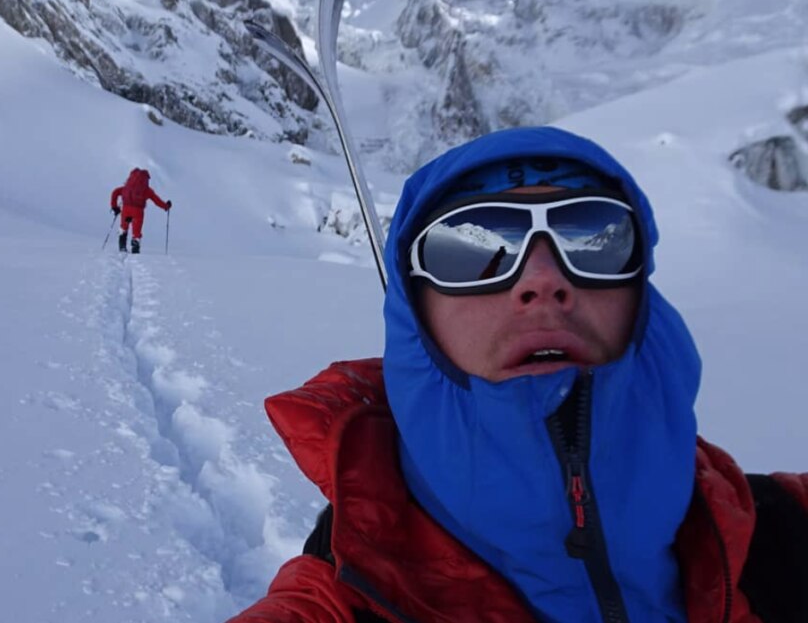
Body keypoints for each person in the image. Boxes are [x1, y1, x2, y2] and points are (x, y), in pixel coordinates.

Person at [230, 126, 808, 623]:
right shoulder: (352, 589)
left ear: (640, 296)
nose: (542, 279)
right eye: (470, 249)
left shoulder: (780, 536)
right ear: (416, 315)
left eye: (595, 238)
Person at [110, 168, 171, 254]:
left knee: (124, 227)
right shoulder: (146, 190)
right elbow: (156, 200)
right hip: (138, 212)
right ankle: (135, 252)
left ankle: (122, 247)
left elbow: (115, 192)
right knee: (136, 232)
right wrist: (166, 206)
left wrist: (114, 206)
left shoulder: (126, 188)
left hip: (126, 209)